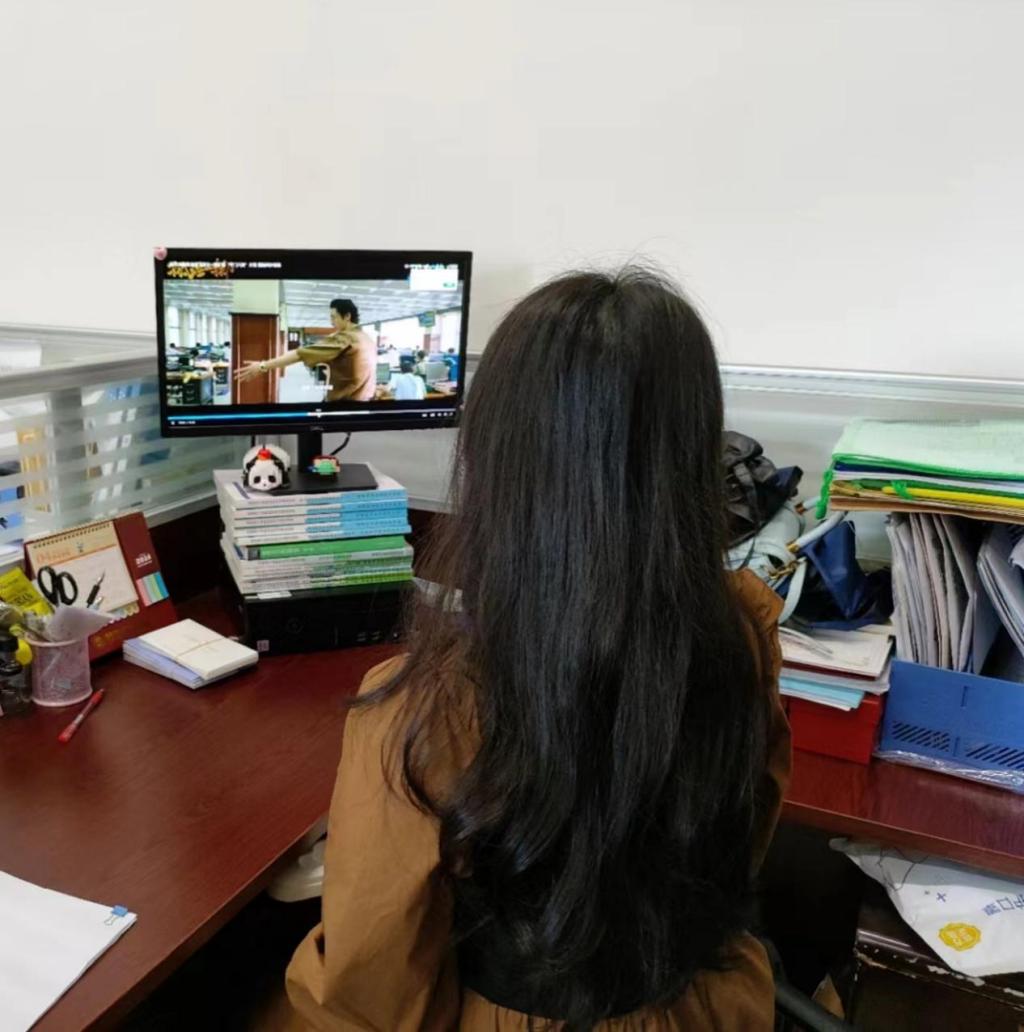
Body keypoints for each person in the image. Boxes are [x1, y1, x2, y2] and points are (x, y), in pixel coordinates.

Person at [284, 269, 790, 1031]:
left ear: (497, 454)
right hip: (711, 1004)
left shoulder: (428, 705)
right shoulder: (743, 633)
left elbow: (372, 983)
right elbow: (743, 840)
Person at [234, 299, 376, 402]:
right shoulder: (367, 338)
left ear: (347, 316)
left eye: (333, 317)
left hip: (343, 404)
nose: (331, 321)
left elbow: (300, 354)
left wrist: (262, 366)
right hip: (363, 399)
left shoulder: (345, 337)